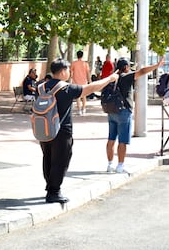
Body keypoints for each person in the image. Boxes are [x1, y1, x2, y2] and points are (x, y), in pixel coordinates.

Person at [40, 58, 119, 204]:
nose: (70, 73)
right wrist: (110, 78)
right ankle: (54, 192)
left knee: (48, 158)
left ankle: (50, 187)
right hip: (61, 131)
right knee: (61, 160)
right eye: (69, 70)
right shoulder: (65, 88)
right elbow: (91, 88)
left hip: (43, 129)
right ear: (63, 71)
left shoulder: (42, 87)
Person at [106, 57, 165, 174]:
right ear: (126, 67)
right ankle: (120, 166)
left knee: (111, 139)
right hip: (123, 111)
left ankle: (109, 165)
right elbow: (142, 71)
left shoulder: (112, 78)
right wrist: (156, 66)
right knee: (122, 141)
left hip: (111, 111)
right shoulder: (126, 77)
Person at [70, 50, 91, 115]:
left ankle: (79, 110)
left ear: (77, 55)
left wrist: (71, 78)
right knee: (84, 96)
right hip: (84, 81)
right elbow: (88, 73)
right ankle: (84, 109)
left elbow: (71, 73)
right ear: (82, 56)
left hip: (76, 81)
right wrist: (89, 80)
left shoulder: (73, 63)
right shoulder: (85, 64)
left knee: (77, 97)